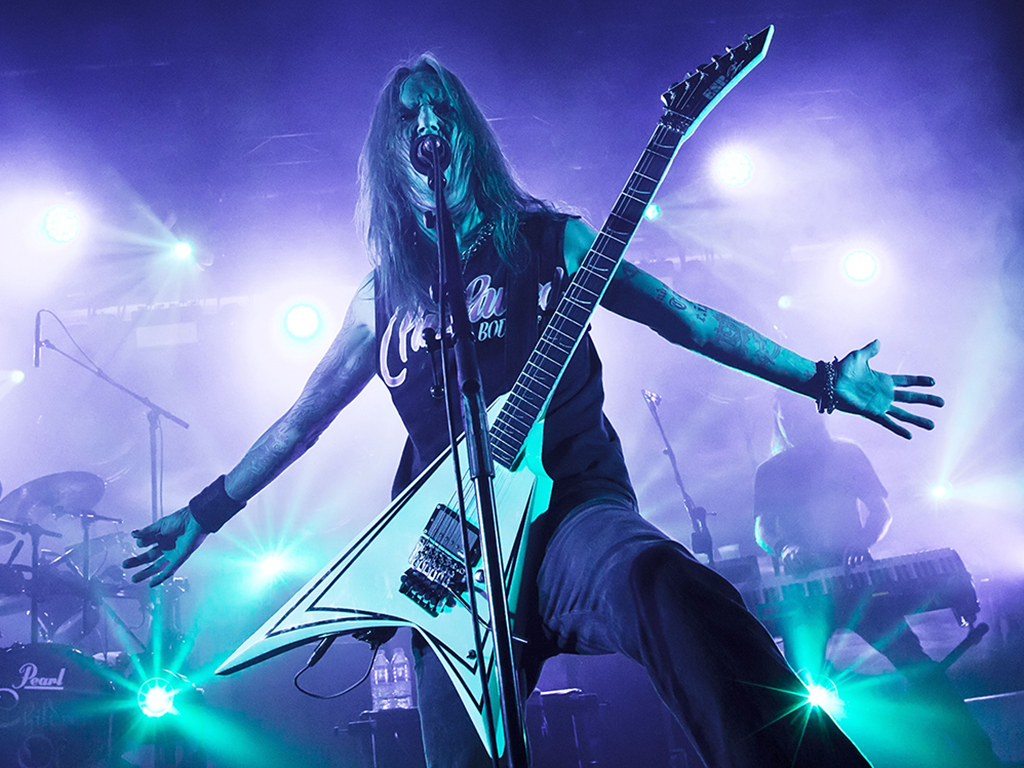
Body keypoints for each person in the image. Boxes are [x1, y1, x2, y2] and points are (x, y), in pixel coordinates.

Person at [124, 55, 944, 768]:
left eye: (441, 109)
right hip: (455, 567)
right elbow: (299, 423)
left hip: (575, 521)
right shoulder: (383, 300)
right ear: (391, 158)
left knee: (671, 589)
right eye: (409, 117)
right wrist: (208, 509)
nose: (428, 125)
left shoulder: (552, 240)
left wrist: (824, 380)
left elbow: (686, 320)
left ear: (468, 135)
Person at [754, 391, 1000, 767]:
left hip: (859, 580)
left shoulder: (846, 453)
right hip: (806, 591)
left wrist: (862, 540)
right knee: (800, 687)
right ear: (778, 419)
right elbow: (761, 529)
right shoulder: (769, 471)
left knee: (914, 662)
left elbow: (881, 512)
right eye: (784, 414)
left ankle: (978, 754)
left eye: (797, 411)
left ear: (813, 413)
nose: (791, 419)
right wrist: (784, 547)